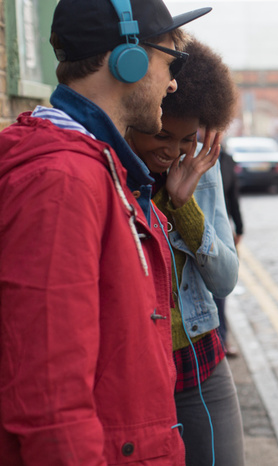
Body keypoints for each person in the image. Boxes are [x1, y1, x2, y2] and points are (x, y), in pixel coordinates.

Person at [0, 0, 210, 464]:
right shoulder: (61, 182)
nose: (173, 83)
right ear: (128, 58)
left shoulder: (99, 169)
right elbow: (50, 402)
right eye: (168, 61)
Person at [126, 38, 244, 466]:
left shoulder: (198, 172)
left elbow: (225, 280)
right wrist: (161, 203)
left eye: (185, 140)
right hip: (138, 369)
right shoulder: (112, 171)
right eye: (161, 134)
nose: (172, 151)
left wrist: (184, 205)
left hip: (199, 359)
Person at [215, 146, 245, 356]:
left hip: (223, 230)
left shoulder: (226, 159)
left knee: (220, 291)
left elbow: (233, 195)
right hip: (200, 230)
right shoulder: (189, 151)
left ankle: (221, 341)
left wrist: (239, 228)